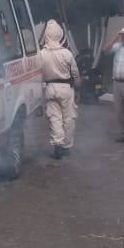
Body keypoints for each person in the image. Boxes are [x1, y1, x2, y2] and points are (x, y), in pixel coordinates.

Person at [39, 19, 81, 159]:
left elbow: (38, 73)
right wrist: (78, 85)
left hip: (49, 88)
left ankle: (58, 146)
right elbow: (75, 73)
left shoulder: (41, 54)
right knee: (69, 118)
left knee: (54, 117)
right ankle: (66, 146)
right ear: (60, 35)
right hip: (66, 88)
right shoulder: (67, 53)